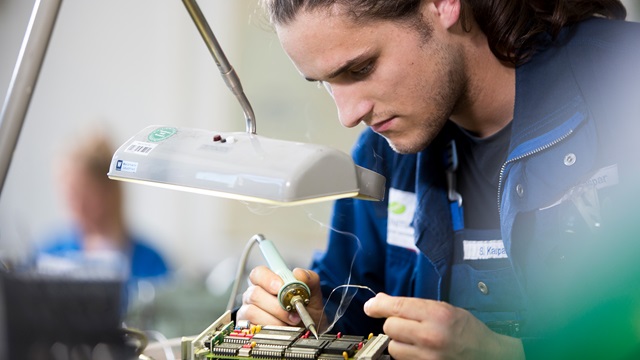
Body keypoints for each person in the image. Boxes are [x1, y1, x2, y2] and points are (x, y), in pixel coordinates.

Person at [238, 1, 640, 359]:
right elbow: (353, 311)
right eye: (326, 82)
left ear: (443, 5)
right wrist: (317, 324)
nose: (348, 114)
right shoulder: (380, 159)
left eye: (361, 68)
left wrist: (510, 354)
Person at [35, 131, 169, 285]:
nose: (79, 207)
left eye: (88, 195)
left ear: (110, 192)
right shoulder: (48, 255)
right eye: (72, 196)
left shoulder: (151, 264)